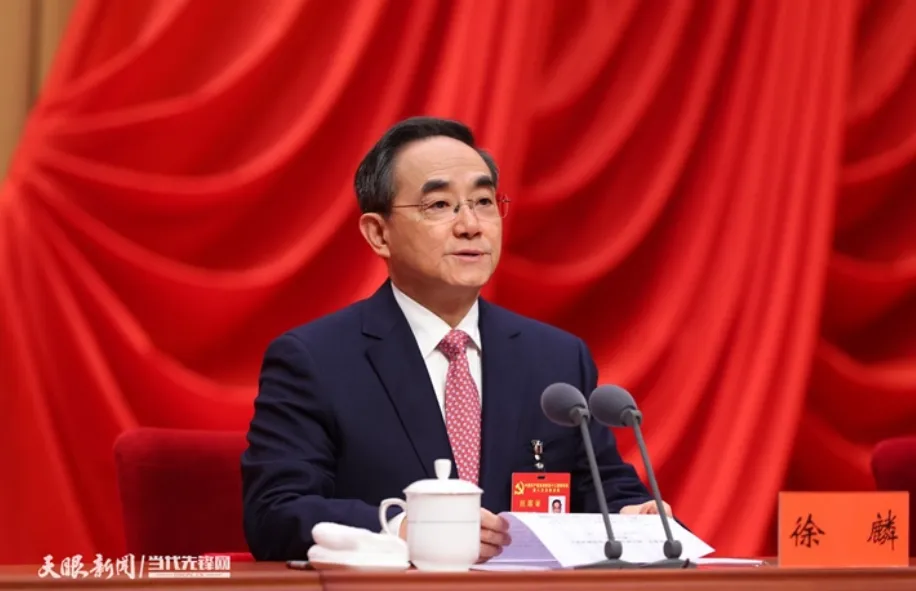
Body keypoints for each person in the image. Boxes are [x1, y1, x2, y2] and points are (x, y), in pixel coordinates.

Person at [241, 116, 671, 562]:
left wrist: (634, 516)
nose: (471, 225)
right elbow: (275, 511)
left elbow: (603, 488)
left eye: (483, 201)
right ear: (379, 233)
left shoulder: (556, 359)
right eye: (440, 205)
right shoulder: (316, 359)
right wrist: (405, 529)